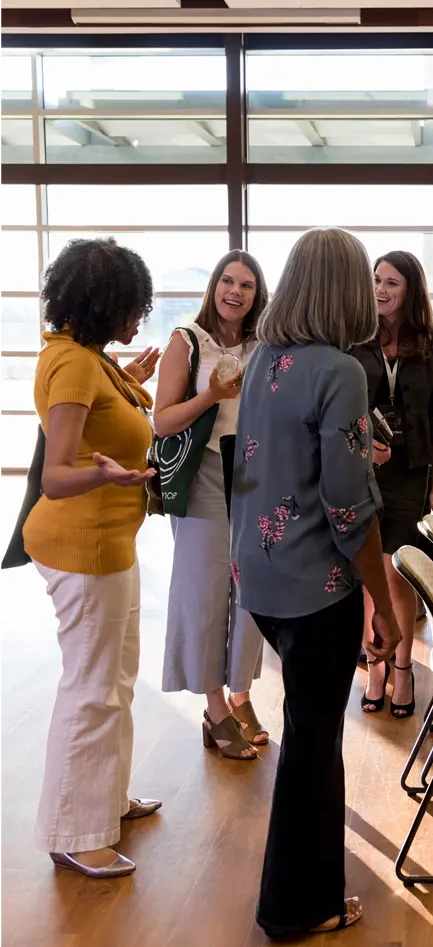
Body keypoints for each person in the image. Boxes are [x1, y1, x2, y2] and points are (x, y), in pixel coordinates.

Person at [230, 228, 401, 938]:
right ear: (347, 288)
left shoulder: (265, 355)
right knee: (311, 742)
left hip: (262, 575)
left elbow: (279, 465)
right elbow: (346, 507)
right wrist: (384, 606)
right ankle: (298, 905)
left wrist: (358, 460)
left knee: (305, 733)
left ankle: (298, 892)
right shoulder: (341, 370)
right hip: (315, 584)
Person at [22, 238, 161, 879]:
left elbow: (97, 418)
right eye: (133, 306)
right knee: (92, 689)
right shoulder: (77, 366)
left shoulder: (87, 358)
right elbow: (56, 474)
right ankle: (77, 831)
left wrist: (130, 383)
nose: (139, 319)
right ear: (104, 304)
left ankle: (102, 797)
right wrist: (111, 476)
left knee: (114, 680)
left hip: (108, 543)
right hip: (84, 546)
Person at [154, 251, 269, 761]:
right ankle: (216, 707)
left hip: (254, 478)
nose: (235, 291)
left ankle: (241, 692)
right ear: (214, 286)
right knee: (205, 594)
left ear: (256, 295)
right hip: (201, 478)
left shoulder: (264, 346)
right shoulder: (186, 342)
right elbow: (162, 421)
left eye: (246, 284)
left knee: (250, 592)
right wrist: (213, 396)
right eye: (227, 280)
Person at [352, 251, 433, 718]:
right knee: (371, 568)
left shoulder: (432, 338)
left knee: (400, 571)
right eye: (376, 280)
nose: (381, 289)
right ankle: (374, 665)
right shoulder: (357, 334)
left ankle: (404, 668)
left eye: (392, 282)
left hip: (411, 473)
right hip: (363, 469)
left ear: (411, 288)